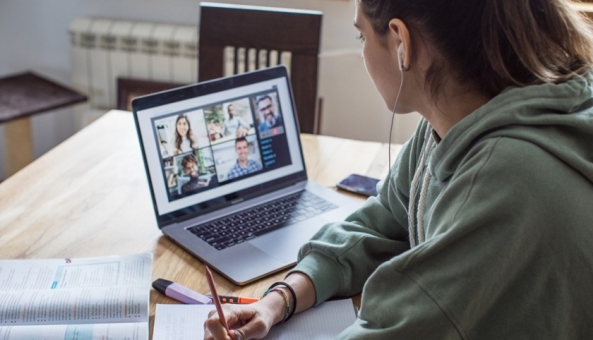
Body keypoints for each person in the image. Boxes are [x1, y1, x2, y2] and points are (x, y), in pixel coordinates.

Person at [205, 0, 593, 339]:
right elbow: (382, 221)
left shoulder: (504, 182)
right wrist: (278, 301)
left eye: (362, 37)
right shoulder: (454, 120)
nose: (362, 53)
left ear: (401, 42)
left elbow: (395, 328)